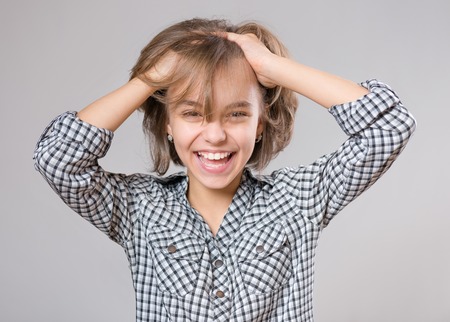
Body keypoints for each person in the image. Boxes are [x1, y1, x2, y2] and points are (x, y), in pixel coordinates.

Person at [33, 18, 416, 322]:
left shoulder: (299, 198)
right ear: (167, 123)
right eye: (191, 113)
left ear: (261, 123)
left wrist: (273, 67)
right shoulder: (139, 209)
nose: (214, 135)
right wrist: (150, 80)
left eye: (237, 114)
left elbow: (389, 126)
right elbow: (57, 158)